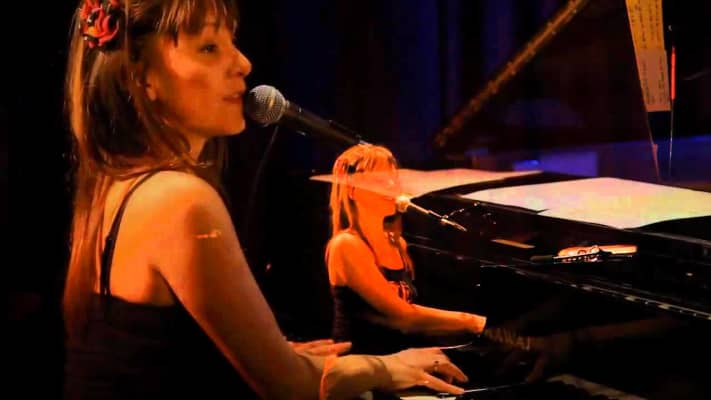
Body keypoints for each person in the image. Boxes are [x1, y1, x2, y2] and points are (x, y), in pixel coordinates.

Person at [61, 0, 470, 398]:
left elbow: (160, 358)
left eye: (232, 42)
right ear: (141, 77)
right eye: (209, 48)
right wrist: (387, 367)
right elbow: (289, 387)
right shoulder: (180, 201)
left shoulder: (117, 186)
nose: (243, 64)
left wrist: (276, 354)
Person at [325, 144, 488, 356]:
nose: (392, 185)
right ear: (352, 189)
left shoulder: (397, 243)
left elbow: (413, 321)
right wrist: (472, 322)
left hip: (400, 359)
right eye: (380, 179)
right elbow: (403, 316)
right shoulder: (346, 245)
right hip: (362, 364)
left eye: (394, 178)